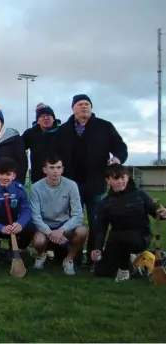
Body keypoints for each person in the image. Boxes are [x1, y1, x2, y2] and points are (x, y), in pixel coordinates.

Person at [53, 94, 128, 264]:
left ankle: (95, 256)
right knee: (71, 223)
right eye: (80, 104)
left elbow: (120, 146)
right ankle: (73, 256)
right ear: (73, 108)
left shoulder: (104, 127)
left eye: (87, 104)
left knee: (97, 222)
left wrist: (117, 158)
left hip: (96, 183)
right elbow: (55, 154)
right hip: (71, 185)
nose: (84, 107)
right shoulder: (64, 130)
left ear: (91, 107)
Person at [92, 164, 166, 282]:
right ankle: (132, 263)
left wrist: (161, 212)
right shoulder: (105, 203)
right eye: (116, 178)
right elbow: (101, 228)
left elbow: (154, 208)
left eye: (123, 177)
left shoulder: (140, 194)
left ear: (127, 177)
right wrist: (97, 248)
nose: (121, 181)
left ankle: (124, 270)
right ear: (108, 180)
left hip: (140, 236)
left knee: (123, 240)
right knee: (101, 272)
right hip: (116, 240)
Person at [29, 155, 87, 275]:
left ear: (62, 169)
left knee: (82, 231)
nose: (55, 171)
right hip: (46, 226)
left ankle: (69, 259)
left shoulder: (71, 185)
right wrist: (49, 232)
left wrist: (62, 229)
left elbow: (78, 215)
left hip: (63, 225)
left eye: (58, 167)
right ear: (45, 170)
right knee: (39, 241)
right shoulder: (36, 187)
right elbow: (35, 216)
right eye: (52, 167)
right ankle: (41, 255)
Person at [0, 157, 35, 266]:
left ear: (14, 176)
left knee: (31, 226)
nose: (4, 177)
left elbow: (26, 210)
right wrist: (1, 228)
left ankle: (18, 251)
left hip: (14, 226)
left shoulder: (20, 189)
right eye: (1, 174)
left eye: (8, 174)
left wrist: (20, 224)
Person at [0, 107, 27, 185]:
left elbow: (22, 163)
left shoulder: (14, 138)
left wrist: (18, 184)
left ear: (1, 122)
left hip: (9, 185)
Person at [22, 104, 61, 184]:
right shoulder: (30, 134)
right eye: (42, 116)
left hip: (59, 178)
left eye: (48, 115)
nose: (46, 118)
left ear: (53, 118)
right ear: (38, 120)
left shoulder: (62, 132)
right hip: (38, 178)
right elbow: (18, 148)